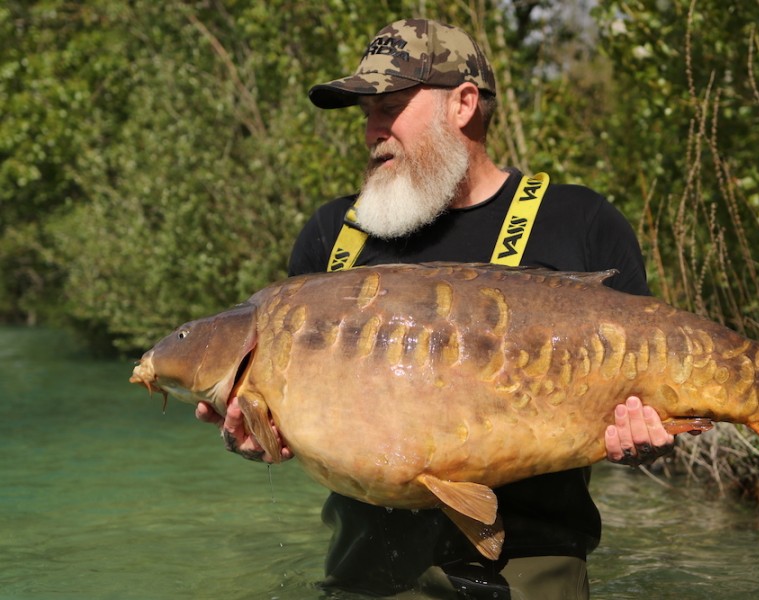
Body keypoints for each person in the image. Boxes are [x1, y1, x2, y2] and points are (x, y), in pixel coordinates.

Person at [196, 18, 677, 599]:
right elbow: (291, 422)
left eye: (390, 107)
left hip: (531, 573)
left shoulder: (579, 222)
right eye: (366, 113)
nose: (373, 131)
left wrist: (647, 438)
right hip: (368, 574)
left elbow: (647, 400)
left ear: (464, 104)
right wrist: (252, 435)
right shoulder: (334, 235)